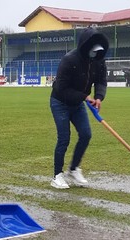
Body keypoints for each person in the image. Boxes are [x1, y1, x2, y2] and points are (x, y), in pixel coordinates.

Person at [49, 27, 109, 189]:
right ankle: (57, 176)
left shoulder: (99, 60)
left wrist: (98, 97)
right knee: (64, 138)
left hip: (77, 104)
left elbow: (101, 81)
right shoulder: (69, 60)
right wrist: (84, 96)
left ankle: (73, 169)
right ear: (85, 46)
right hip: (60, 102)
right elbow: (61, 87)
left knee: (86, 134)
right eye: (93, 50)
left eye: (98, 51)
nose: (95, 54)